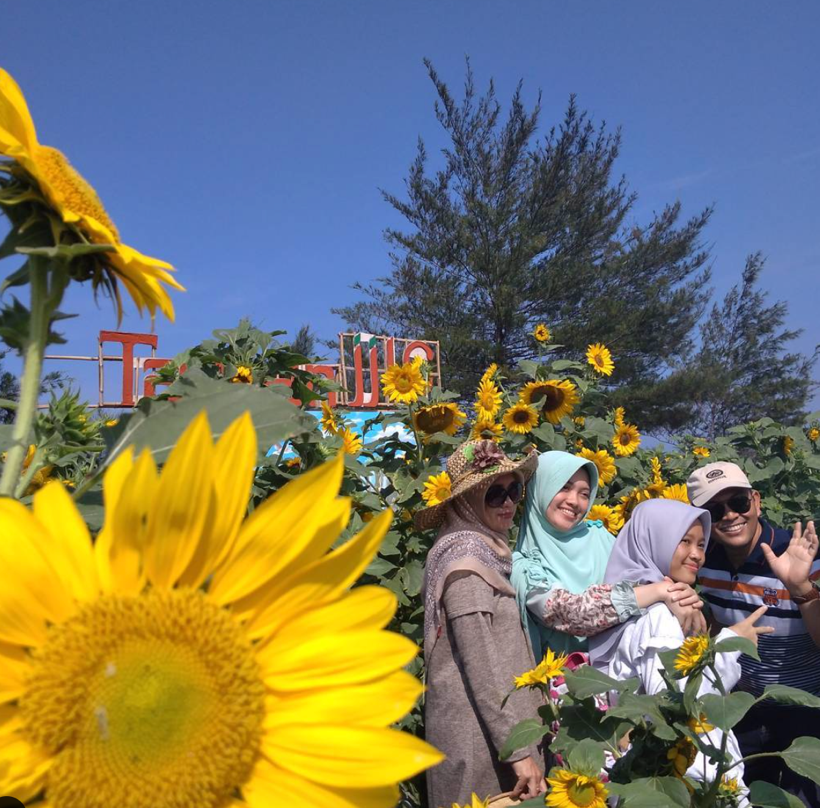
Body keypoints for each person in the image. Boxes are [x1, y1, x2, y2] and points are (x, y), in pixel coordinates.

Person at [589, 499, 772, 800]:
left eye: (701, 544)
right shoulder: (658, 616)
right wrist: (731, 644)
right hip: (682, 782)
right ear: (655, 540)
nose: (697, 555)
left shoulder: (634, 600)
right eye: (684, 541)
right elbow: (675, 709)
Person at [418, 439, 546, 807]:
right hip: (481, 742)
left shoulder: (486, 553)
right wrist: (518, 750)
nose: (507, 503)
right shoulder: (466, 564)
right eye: (493, 494)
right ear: (465, 503)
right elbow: (482, 666)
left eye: (513, 490)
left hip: (491, 734)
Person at [687, 461, 820, 805]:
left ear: (757, 501)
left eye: (739, 503)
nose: (730, 515)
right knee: (737, 796)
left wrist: (801, 587)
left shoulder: (803, 554)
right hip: (741, 707)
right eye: (715, 510)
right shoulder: (702, 561)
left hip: (806, 706)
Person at [512, 452, 705, 661]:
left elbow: (645, 574)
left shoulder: (600, 537)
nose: (574, 501)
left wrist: (678, 594)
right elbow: (570, 614)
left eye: (584, 494)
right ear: (540, 488)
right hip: (569, 686)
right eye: (564, 487)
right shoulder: (524, 566)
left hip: (629, 670)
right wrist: (659, 590)